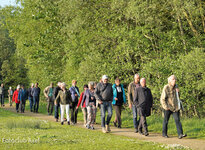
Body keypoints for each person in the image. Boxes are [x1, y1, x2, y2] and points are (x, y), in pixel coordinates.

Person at [160, 75, 187, 139]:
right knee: (166, 121)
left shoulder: (176, 87)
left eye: (175, 79)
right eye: (173, 79)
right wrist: (166, 107)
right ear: (169, 81)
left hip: (175, 107)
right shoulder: (166, 87)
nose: (174, 80)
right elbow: (162, 99)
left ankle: (180, 134)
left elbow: (178, 98)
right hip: (168, 107)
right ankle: (164, 133)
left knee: (177, 120)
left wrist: (178, 92)